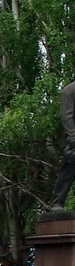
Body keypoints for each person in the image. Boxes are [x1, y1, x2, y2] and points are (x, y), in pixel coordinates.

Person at [51, 81, 75, 209]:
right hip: (74, 140)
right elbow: (66, 116)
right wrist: (73, 136)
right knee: (70, 168)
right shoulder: (70, 90)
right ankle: (58, 201)